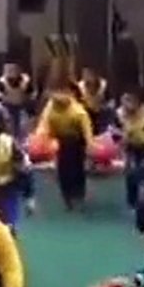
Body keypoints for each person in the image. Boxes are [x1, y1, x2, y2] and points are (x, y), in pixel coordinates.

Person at [34, 82, 94, 211]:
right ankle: (67, 197)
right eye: (55, 92)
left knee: (77, 169)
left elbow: (87, 132)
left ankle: (79, 195)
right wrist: (40, 138)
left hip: (77, 141)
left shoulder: (78, 112)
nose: (58, 96)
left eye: (62, 93)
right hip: (61, 141)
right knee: (63, 170)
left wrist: (90, 145)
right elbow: (44, 124)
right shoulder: (50, 107)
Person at [0, 62, 35, 141]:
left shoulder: (25, 81)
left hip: (22, 106)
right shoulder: (2, 83)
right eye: (10, 80)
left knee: (23, 126)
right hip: (7, 106)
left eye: (14, 79)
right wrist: (1, 109)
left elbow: (31, 96)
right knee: (10, 126)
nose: (13, 82)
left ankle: (22, 142)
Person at [77, 67, 111, 135]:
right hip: (85, 114)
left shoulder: (104, 85)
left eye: (90, 73)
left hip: (101, 114)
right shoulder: (79, 87)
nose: (88, 77)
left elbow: (109, 101)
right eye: (85, 74)